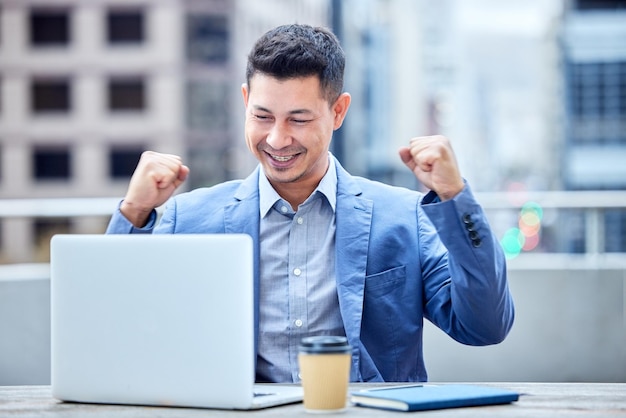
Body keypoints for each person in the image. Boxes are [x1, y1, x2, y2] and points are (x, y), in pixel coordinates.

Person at [106, 23, 514, 383]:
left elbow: (484, 327)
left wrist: (455, 199)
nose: (278, 139)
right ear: (245, 99)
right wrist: (133, 213)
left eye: (299, 119)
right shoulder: (188, 218)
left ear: (338, 111)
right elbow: (116, 327)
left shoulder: (403, 217)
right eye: (262, 116)